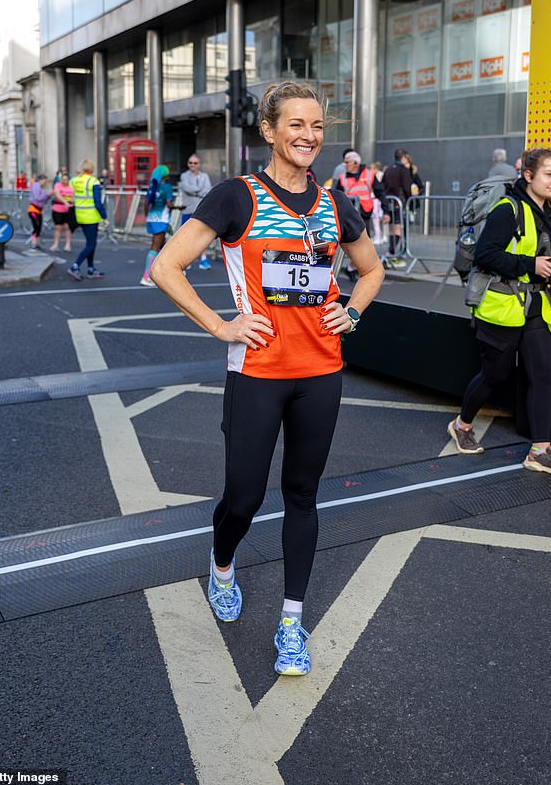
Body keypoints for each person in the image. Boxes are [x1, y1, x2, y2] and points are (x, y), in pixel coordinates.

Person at [151, 81, 384, 676]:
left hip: (321, 372)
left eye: (317, 126)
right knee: (245, 497)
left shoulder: (335, 203)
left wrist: (352, 311)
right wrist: (221, 326)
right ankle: (222, 562)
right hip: (257, 371)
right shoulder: (237, 196)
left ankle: (291, 625)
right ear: (270, 131)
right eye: (296, 125)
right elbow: (166, 266)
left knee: (303, 495)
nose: (308, 136)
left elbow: (371, 268)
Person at [447, 147, 551, 478]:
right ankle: (462, 424)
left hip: (537, 307)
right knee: (494, 375)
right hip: (503, 306)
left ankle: (540, 450)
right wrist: (529, 264)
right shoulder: (508, 210)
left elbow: (547, 253)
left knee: (543, 377)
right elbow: (485, 255)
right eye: (549, 174)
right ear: (529, 175)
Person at [336, 150, 386, 278]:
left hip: (364, 214)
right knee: (352, 246)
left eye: (347, 162)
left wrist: (386, 211)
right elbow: (336, 197)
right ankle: (350, 268)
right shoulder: (342, 178)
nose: (345, 164)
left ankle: (353, 268)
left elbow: (380, 192)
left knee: (363, 245)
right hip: (347, 218)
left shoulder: (369, 174)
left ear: (355, 163)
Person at [67, 159, 109, 280]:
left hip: (79, 215)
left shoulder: (74, 180)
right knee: (91, 244)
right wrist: (104, 217)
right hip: (91, 216)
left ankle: (91, 269)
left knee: (90, 243)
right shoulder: (93, 181)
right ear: (92, 169)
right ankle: (75, 266)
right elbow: (97, 202)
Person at [140, 165, 182, 286]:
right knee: (155, 246)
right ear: (166, 176)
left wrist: (148, 217)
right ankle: (146, 276)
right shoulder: (167, 187)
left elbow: (146, 204)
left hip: (152, 219)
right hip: (161, 220)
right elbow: (169, 205)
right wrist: (179, 207)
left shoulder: (152, 187)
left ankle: (173, 272)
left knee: (163, 247)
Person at [179, 155, 213, 270]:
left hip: (201, 210)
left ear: (199, 164)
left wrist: (196, 190)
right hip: (188, 210)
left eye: (195, 163)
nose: (192, 165)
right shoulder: (184, 176)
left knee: (202, 237)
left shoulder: (205, 176)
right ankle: (185, 260)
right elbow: (187, 188)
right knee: (186, 237)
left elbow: (208, 190)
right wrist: (200, 190)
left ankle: (203, 260)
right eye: (190, 163)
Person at [381, 148, 412, 267]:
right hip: (398, 202)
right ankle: (390, 255)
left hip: (389, 201)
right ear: (403, 157)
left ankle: (391, 254)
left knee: (392, 230)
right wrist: (409, 199)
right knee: (397, 230)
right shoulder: (403, 170)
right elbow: (406, 187)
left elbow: (382, 184)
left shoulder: (388, 169)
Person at [50, 171, 75, 252]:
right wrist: (65, 202)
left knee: (68, 228)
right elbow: (57, 194)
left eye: (66, 179)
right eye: (63, 179)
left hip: (68, 209)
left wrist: (72, 202)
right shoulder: (57, 185)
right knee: (58, 227)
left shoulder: (71, 187)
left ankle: (68, 245)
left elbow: (74, 197)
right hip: (58, 209)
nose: (64, 181)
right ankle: (56, 244)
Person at [27, 174, 51, 250]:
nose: (45, 183)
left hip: (39, 210)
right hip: (33, 210)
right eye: (45, 181)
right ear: (40, 180)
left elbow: (44, 201)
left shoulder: (41, 188)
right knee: (36, 226)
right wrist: (48, 195)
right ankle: (33, 243)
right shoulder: (35, 186)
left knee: (39, 227)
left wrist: (48, 197)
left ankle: (36, 243)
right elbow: (38, 198)